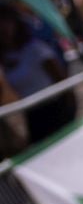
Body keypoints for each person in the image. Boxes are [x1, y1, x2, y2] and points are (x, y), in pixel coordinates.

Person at [0, 8, 73, 147]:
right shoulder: (4, 62)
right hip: (32, 116)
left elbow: (61, 78)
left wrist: (69, 106)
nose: (3, 28)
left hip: (55, 109)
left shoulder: (35, 49)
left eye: (6, 21)